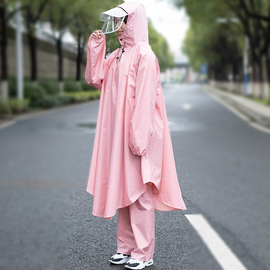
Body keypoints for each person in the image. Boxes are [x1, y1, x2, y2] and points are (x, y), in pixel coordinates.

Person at [85, 2, 186, 269]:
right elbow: (97, 79)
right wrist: (96, 50)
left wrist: (139, 137)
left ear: (133, 21)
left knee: (140, 193)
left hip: (138, 137)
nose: (119, 26)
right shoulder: (118, 55)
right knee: (123, 190)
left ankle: (143, 252)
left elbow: (144, 101)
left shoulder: (145, 55)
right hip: (119, 137)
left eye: (124, 20)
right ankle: (126, 247)